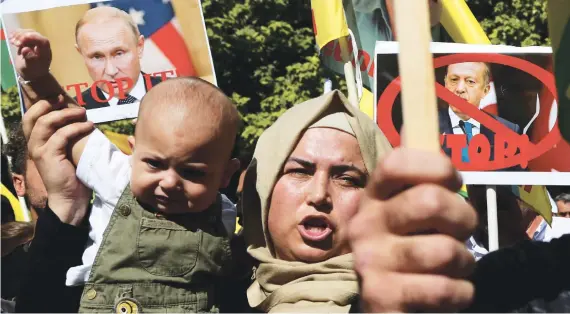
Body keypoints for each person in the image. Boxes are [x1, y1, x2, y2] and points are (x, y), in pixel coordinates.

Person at [18, 90, 480, 313]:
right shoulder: (215, 294)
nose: (319, 195)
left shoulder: (422, 296)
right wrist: (66, 207)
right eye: (298, 171)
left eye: (347, 177)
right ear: (256, 189)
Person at [22, 76, 242, 312]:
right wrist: (38, 73)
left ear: (225, 176)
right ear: (132, 152)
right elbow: (70, 124)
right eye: (154, 164)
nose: (169, 182)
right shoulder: (118, 177)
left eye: (192, 173)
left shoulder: (225, 214)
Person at [9, 6, 163, 120]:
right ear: (81, 54)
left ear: (140, 47)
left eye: (119, 53)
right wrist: (34, 76)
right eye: (97, 57)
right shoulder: (73, 112)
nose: (110, 70)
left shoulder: (183, 95)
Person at [439, 62, 523, 170]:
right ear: (445, 84)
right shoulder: (425, 129)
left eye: (470, 81)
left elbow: (519, 183)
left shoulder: (508, 132)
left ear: (485, 90)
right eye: (454, 80)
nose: (459, 89)